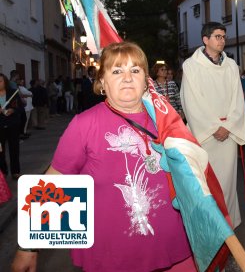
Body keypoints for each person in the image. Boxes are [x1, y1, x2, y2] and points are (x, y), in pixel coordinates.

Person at [11, 42, 196, 272]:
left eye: (135, 70)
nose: (127, 78)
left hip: (173, 247)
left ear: (146, 80)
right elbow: (54, 182)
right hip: (112, 254)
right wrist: (28, 247)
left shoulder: (167, 119)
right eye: (117, 71)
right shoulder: (85, 124)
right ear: (102, 82)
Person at [181, 22, 245, 229]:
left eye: (223, 37)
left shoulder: (231, 66)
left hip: (227, 133)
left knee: (227, 182)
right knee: (207, 183)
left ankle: (228, 224)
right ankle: (208, 228)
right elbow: (191, 101)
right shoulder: (191, 66)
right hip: (206, 135)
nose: (222, 41)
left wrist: (228, 126)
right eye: (217, 36)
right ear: (205, 40)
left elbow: (238, 99)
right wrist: (213, 127)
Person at [0, 73, 24, 179]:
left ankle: (15, 171)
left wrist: (12, 110)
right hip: (0, 126)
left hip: (12, 124)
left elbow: (20, 108)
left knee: (14, 148)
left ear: (5, 82)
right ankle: (3, 171)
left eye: (0, 81)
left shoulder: (13, 93)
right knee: (0, 150)